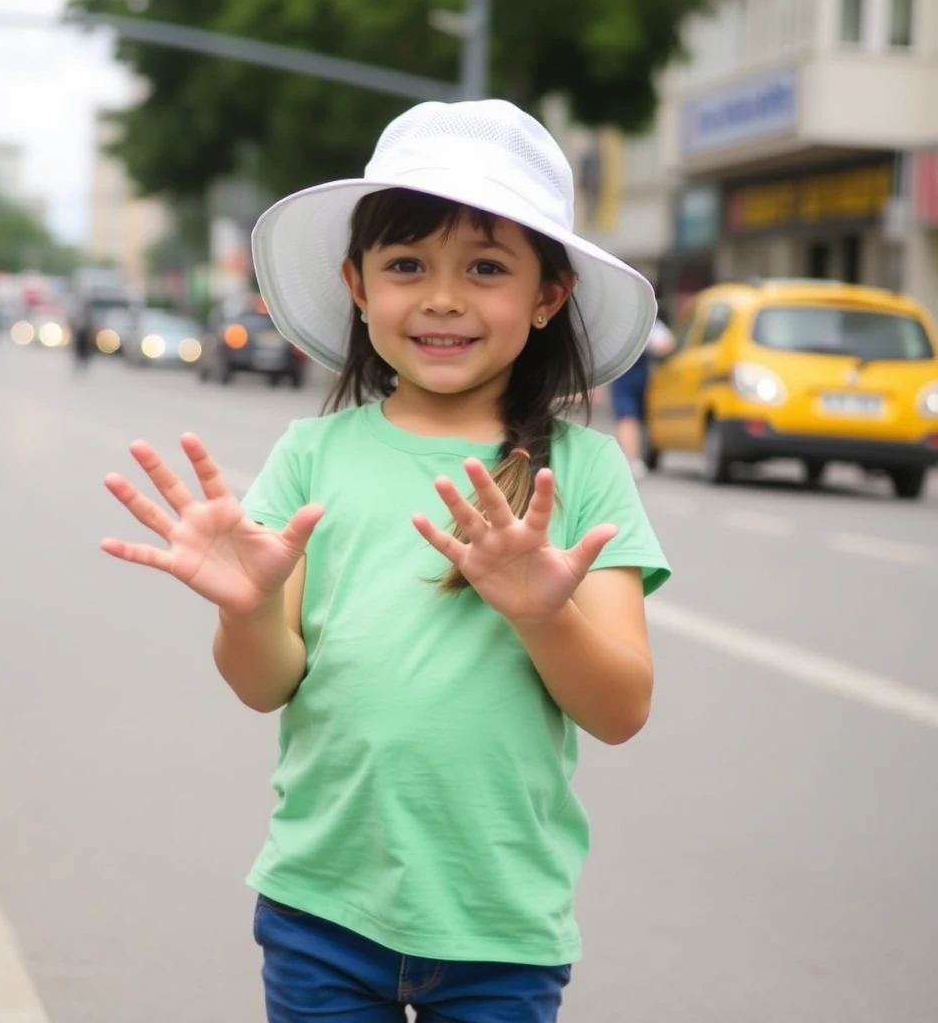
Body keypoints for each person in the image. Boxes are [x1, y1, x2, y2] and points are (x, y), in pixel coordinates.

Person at [101, 99, 671, 1022]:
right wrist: (244, 608)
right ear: (358, 286)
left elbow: (621, 709)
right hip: (321, 907)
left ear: (547, 295)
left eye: (486, 268)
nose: (442, 297)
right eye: (407, 265)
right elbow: (264, 684)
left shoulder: (586, 472)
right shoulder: (310, 455)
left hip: (500, 927)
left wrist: (541, 612)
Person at [609, 307, 675, 479]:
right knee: (629, 417)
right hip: (630, 378)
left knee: (629, 418)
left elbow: (666, 344)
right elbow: (666, 344)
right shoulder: (647, 324)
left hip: (631, 377)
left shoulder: (625, 325)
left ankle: (632, 458)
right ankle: (632, 458)